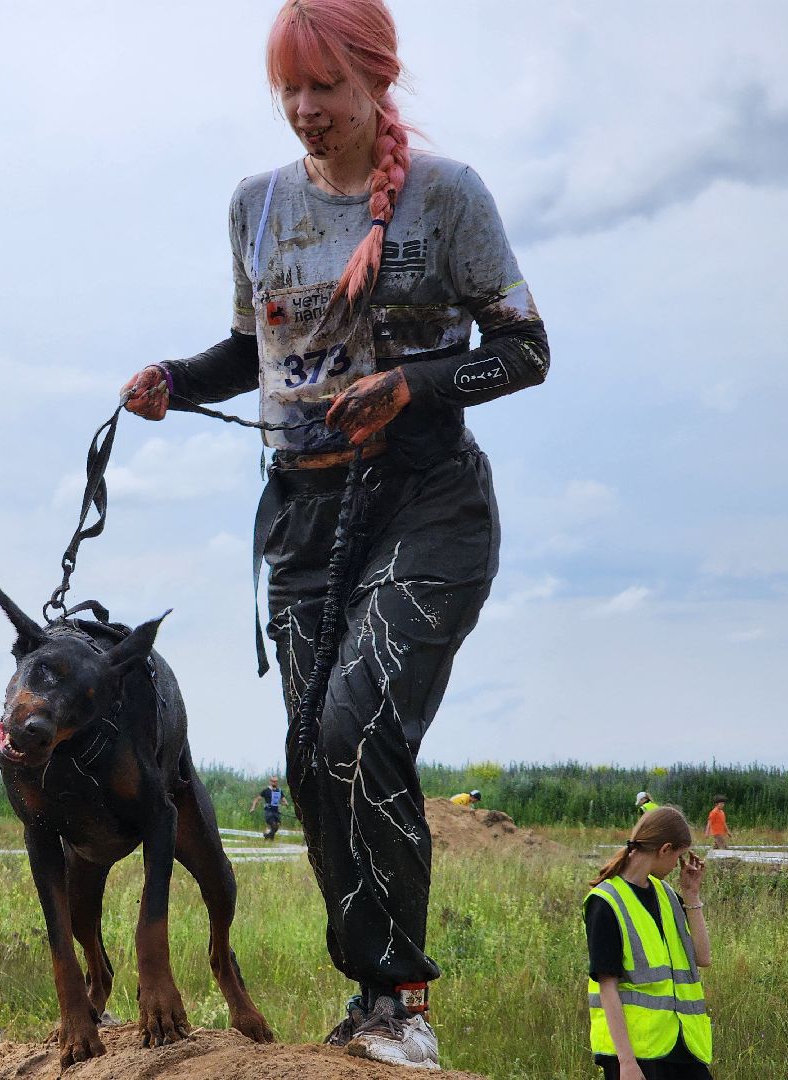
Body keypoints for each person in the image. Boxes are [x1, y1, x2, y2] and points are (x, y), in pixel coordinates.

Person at [120, 0, 548, 1066]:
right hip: (303, 520)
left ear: (378, 83)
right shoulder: (255, 207)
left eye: (328, 89)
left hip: (424, 501)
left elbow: (527, 348)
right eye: (290, 93)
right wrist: (174, 379)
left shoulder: (447, 199)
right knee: (311, 759)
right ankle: (367, 997)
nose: (306, 112)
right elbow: (249, 354)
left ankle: (407, 1004)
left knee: (359, 724)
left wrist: (408, 385)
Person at [585, 806, 713, 1078]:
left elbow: (703, 958)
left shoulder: (666, 895)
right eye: (678, 856)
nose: (678, 865)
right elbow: (607, 988)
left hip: (683, 1047)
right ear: (665, 849)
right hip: (636, 1055)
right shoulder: (605, 902)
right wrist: (627, 1063)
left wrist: (691, 895)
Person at [250, 775, 289, 840]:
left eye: (276, 781)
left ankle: (268, 836)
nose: (274, 783)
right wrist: (253, 808)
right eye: (273, 781)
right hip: (268, 811)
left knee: (277, 826)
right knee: (273, 824)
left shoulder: (279, 791)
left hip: (276, 811)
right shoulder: (266, 790)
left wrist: (285, 803)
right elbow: (256, 799)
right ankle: (269, 838)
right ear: (270, 782)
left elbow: (283, 799)